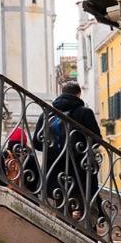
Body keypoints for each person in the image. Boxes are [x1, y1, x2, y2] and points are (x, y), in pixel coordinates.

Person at [33, 81, 102, 220]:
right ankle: (86, 238)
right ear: (78, 94)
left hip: (55, 171)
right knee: (83, 210)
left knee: (62, 209)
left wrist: (54, 151)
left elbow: (37, 143)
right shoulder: (84, 112)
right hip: (79, 170)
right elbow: (96, 139)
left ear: (62, 93)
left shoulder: (46, 114)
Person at [2, 126, 40, 194]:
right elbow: (35, 183)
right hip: (28, 197)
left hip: (8, 192)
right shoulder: (31, 158)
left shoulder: (4, 156)